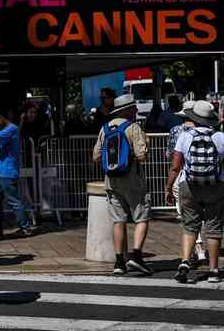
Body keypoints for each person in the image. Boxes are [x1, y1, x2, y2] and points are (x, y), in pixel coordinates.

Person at [92, 94, 152, 275]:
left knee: (118, 220)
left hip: (111, 181)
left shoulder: (104, 129)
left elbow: (95, 156)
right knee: (142, 216)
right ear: (126, 110)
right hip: (133, 180)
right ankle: (137, 256)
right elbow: (142, 156)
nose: (136, 111)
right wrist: (145, 143)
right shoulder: (133, 127)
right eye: (133, 108)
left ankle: (119, 262)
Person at [166, 101, 224, 284]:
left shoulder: (184, 136)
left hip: (188, 186)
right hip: (216, 185)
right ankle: (214, 270)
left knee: (190, 225)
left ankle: (184, 262)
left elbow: (176, 166)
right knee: (214, 228)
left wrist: (169, 187)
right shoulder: (221, 137)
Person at [0, 107, 35, 237]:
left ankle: (25, 227)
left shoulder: (12, 129)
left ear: (2, 117)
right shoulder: (5, 130)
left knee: (13, 200)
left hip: (8, 171)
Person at [165, 100, 206, 264]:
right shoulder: (210, 131)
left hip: (183, 177)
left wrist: (168, 187)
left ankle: (197, 249)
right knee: (204, 214)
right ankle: (203, 249)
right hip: (206, 177)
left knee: (187, 215)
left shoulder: (176, 131)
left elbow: (171, 159)